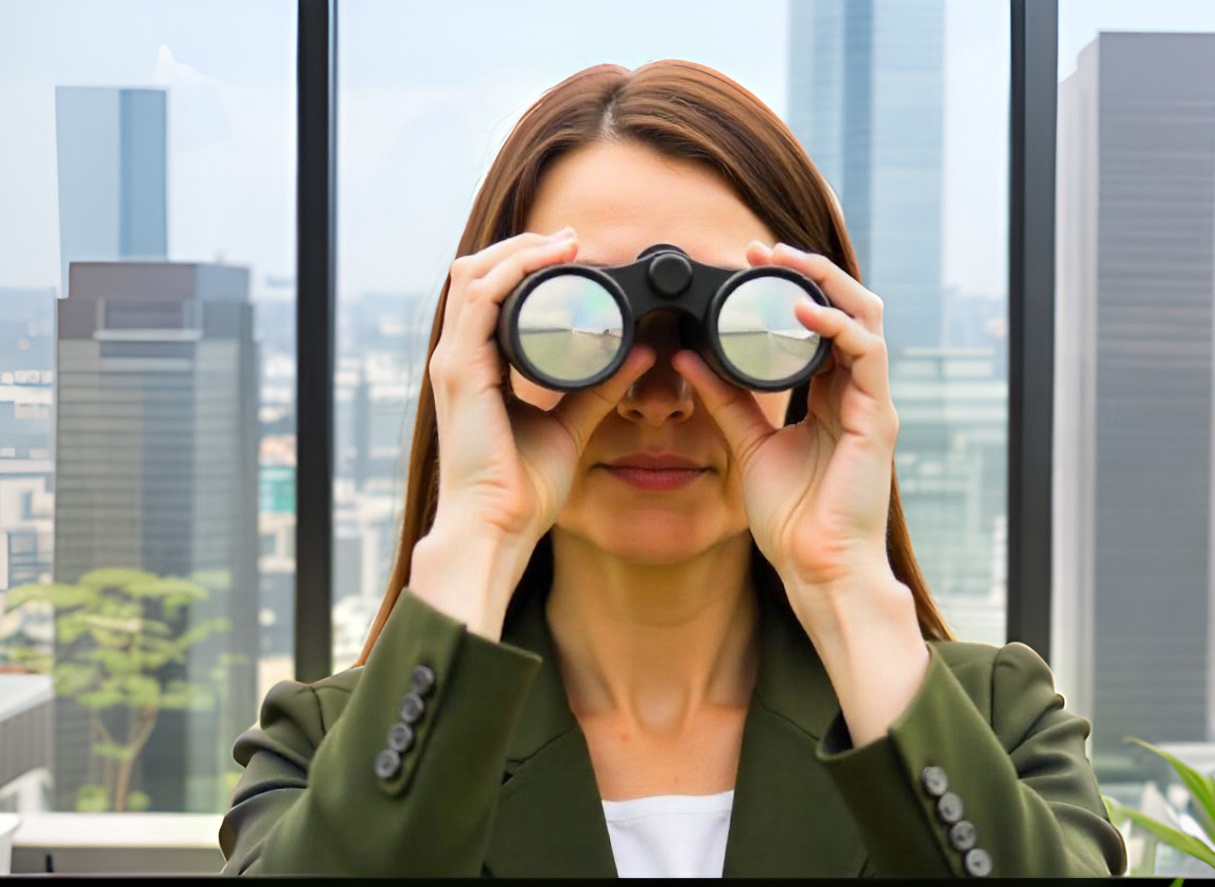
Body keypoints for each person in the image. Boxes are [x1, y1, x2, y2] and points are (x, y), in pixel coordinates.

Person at [218, 59, 1127, 878]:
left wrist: (846, 585)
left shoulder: (994, 724)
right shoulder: (330, 746)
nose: (657, 395)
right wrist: (480, 529)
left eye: (739, 326)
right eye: (579, 321)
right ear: (484, 348)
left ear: (825, 351)